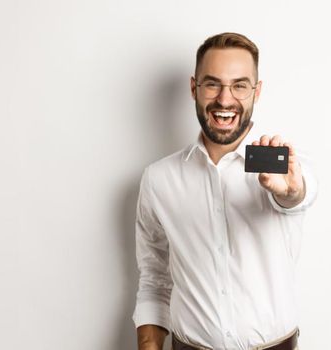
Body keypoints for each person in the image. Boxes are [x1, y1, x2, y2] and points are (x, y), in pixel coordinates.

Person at [133, 32, 318, 350]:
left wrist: (291, 192)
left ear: (256, 92)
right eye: (212, 83)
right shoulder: (158, 180)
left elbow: (297, 196)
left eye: (239, 85)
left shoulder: (285, 169)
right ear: (195, 88)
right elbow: (154, 275)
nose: (224, 99)